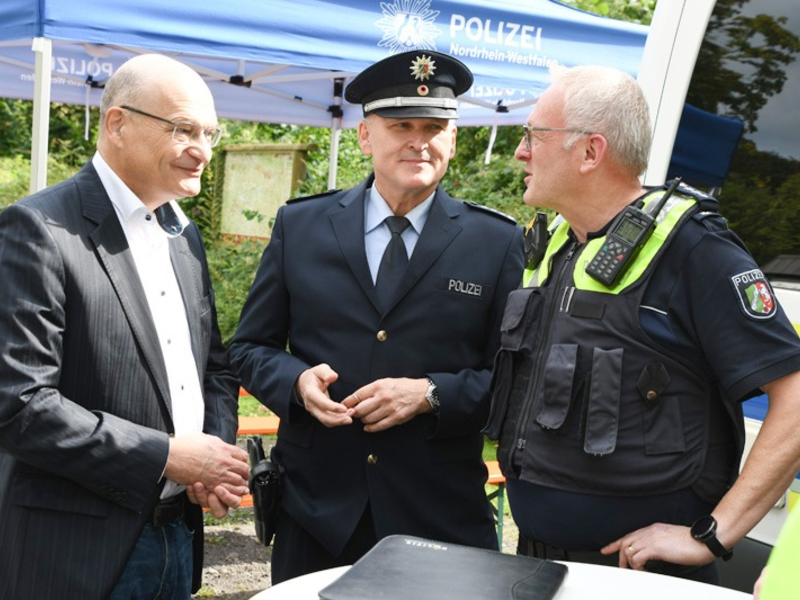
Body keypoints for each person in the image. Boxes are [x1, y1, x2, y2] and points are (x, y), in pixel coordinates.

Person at [484, 64, 800, 584]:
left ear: (590, 152)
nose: (521, 152)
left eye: (534, 136)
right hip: (543, 562)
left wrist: (712, 534)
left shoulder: (694, 250)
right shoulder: (561, 245)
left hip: (639, 577)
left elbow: (793, 395)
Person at [230, 50, 524, 583]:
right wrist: (295, 381)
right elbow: (249, 348)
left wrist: (431, 394)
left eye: (435, 126)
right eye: (401, 126)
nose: (419, 140)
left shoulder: (496, 242)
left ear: (453, 139)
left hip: (439, 519)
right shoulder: (302, 226)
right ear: (366, 136)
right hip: (317, 517)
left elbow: (511, 380)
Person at [0, 54, 249, 599]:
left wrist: (214, 459)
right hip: (78, 550)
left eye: (210, 132)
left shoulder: (184, 236)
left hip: (178, 535)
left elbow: (215, 368)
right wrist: (165, 455)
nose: (203, 150)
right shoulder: (39, 229)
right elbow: (20, 405)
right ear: (117, 123)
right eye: (183, 129)